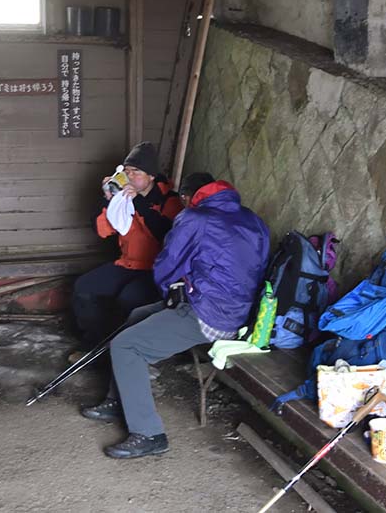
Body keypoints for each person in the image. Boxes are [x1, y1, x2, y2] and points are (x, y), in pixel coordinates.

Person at [80, 175, 270, 459]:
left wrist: (171, 291)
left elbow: (168, 266)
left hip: (209, 315)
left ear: (188, 197)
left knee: (127, 346)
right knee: (137, 316)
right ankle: (118, 400)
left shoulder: (195, 218)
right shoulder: (252, 219)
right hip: (242, 313)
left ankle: (149, 434)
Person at [70, 142, 183, 361]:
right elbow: (102, 231)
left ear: (151, 176)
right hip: (128, 263)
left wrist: (138, 202)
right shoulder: (124, 197)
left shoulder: (170, 201)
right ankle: (95, 346)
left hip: (156, 271)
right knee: (84, 288)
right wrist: (107, 200)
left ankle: (129, 354)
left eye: (136, 172)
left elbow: (164, 235)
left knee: (130, 299)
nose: (130, 177)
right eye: (127, 171)